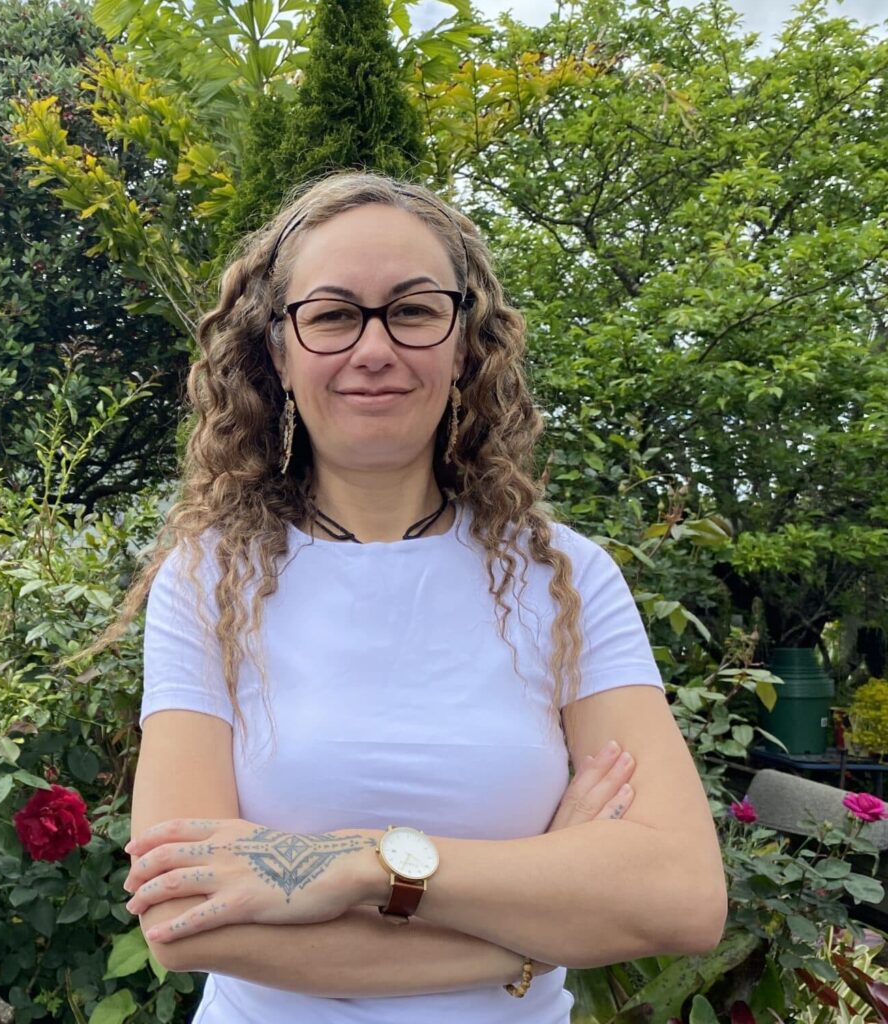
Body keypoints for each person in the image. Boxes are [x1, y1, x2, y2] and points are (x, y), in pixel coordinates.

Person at [113, 172, 727, 1023]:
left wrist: (364, 864)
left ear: (463, 343)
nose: (374, 349)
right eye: (332, 315)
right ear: (279, 353)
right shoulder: (210, 580)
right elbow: (184, 917)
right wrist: (535, 929)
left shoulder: (567, 577)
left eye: (412, 310)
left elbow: (682, 896)